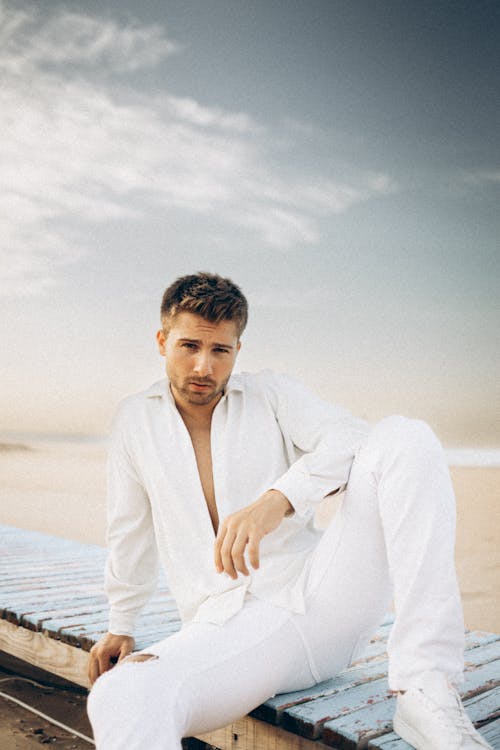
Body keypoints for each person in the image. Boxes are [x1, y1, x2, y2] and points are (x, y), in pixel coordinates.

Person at [87, 272, 491, 750]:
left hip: (325, 598)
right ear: (162, 341)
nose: (204, 366)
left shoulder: (270, 395)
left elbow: (354, 438)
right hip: (229, 630)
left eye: (220, 351)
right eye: (188, 345)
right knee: (123, 693)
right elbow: (129, 529)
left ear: (238, 348)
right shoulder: (136, 419)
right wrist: (122, 624)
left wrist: (277, 500)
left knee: (405, 435)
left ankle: (426, 686)